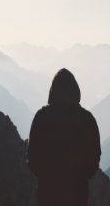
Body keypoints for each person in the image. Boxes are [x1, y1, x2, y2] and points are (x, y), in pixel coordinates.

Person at [27, 68, 101, 206]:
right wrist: (82, 175)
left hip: (48, 191)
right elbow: (94, 155)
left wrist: (46, 175)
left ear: (53, 90)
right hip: (77, 192)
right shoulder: (87, 119)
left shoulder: (42, 117)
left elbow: (32, 156)